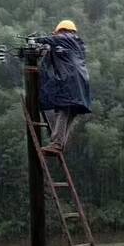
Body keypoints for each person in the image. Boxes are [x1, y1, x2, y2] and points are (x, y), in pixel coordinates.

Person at [35, 20, 92, 154]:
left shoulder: (66, 38)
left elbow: (53, 40)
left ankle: (56, 144)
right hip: (81, 85)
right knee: (70, 113)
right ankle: (60, 145)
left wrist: (36, 40)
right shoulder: (77, 44)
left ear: (63, 31)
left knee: (63, 110)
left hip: (70, 82)